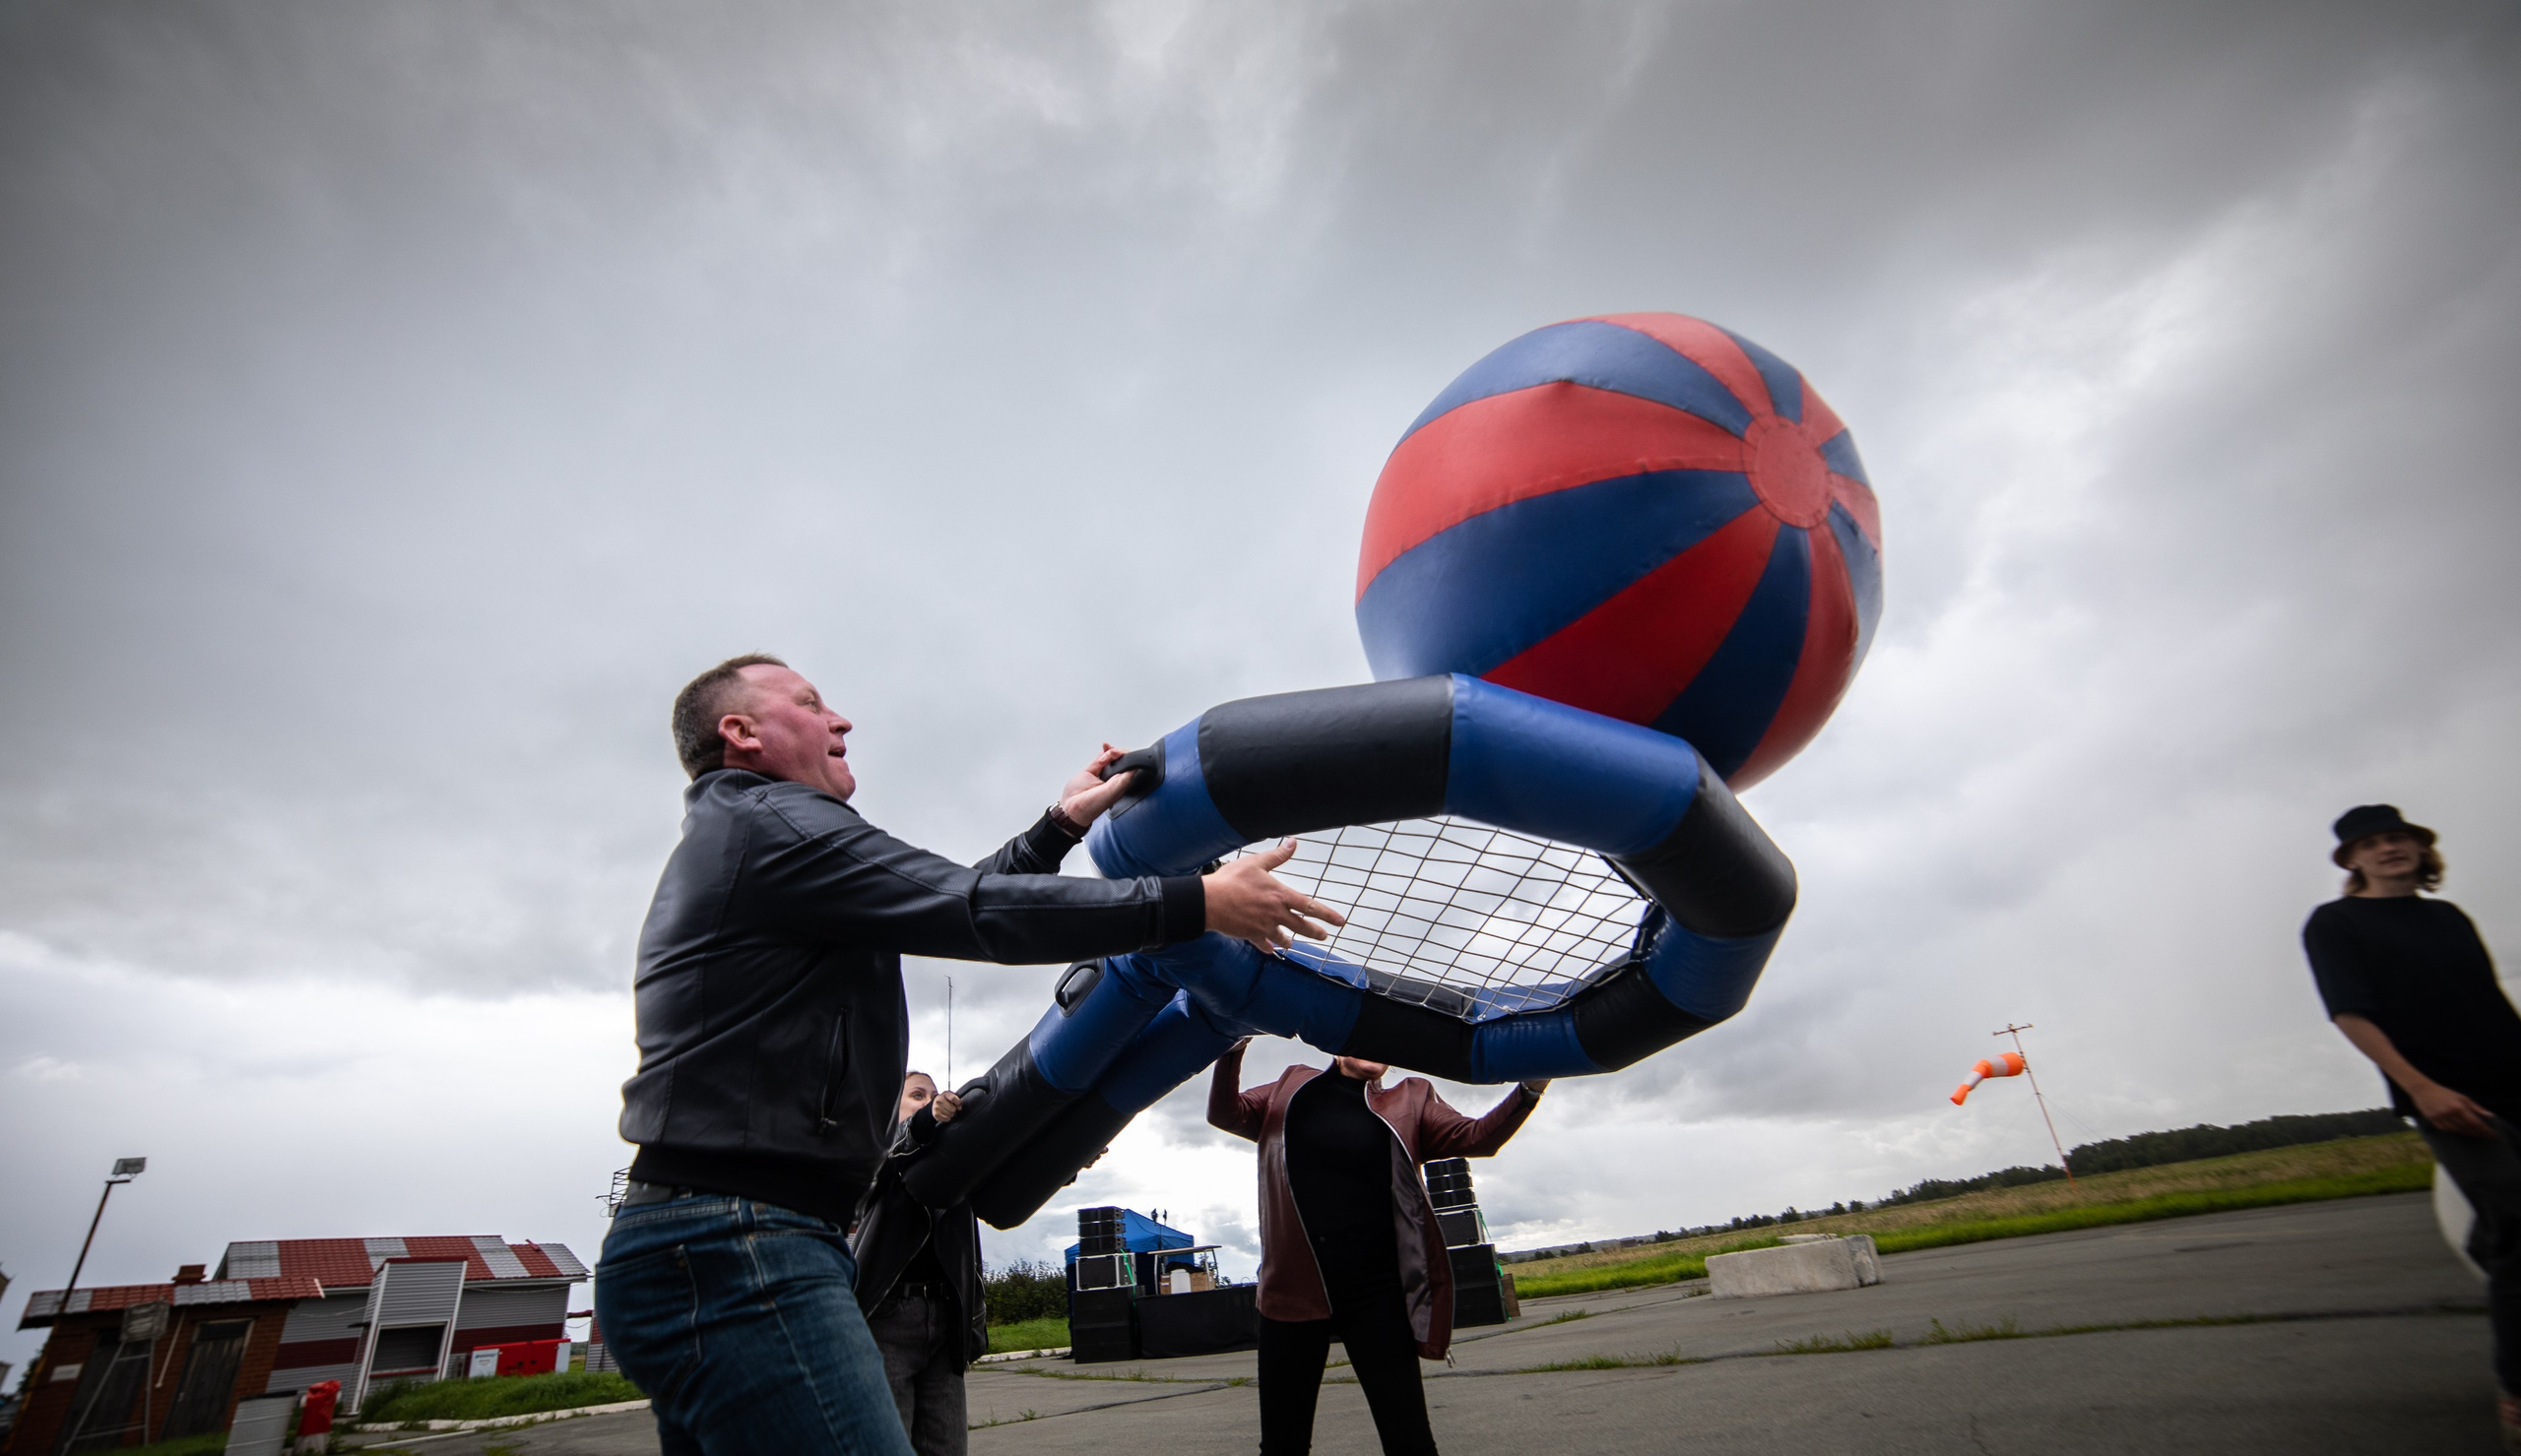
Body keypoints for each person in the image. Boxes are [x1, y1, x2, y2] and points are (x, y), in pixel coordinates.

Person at [596, 654, 1345, 1456]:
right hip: (738, 1243)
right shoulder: (773, 823)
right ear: (740, 733)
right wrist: (1197, 902)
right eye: (812, 703)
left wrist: (1059, 827)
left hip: (710, 1237)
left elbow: (951, 896)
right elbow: (972, 909)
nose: (841, 719)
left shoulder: (754, 835)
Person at [2302, 804, 2521, 1452]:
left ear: (2422, 850)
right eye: (2371, 843)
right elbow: (2349, 1011)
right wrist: (2420, 1087)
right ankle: (2517, 1389)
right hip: (2445, 1094)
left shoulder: (2448, 917)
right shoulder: (2335, 922)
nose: (2389, 848)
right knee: (2517, 1221)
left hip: (2513, 1076)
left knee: (2502, 1232)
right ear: (2351, 861)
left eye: (2398, 838)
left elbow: (2490, 1000)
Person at [1207, 1038, 1546, 1456]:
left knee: (1408, 1440)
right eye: (1362, 1036)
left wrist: (1528, 1089)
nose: (1374, 1045)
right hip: (1290, 1293)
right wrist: (1232, 1047)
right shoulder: (1290, 1084)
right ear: (1334, 1043)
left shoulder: (1412, 1098)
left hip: (1376, 1294)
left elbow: (1477, 1138)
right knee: (1282, 1444)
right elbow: (1225, 1113)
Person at [854, 1072, 979, 1456]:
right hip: (886, 1319)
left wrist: (1071, 1158)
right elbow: (895, 1150)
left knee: (948, 1446)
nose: (929, 1100)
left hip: (945, 1321)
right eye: (917, 1095)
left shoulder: (961, 1164)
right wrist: (929, 1119)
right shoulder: (873, 1154)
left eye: (934, 1094)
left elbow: (1010, 1178)